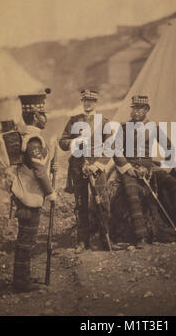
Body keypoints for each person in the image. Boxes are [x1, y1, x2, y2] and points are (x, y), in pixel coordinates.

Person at [113, 95, 176, 248]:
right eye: (133, 108)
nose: (135, 112)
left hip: (150, 167)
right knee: (131, 191)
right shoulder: (123, 128)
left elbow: (169, 148)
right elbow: (115, 150)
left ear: (146, 110)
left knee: (173, 183)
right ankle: (141, 236)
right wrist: (129, 169)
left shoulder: (153, 127)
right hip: (130, 168)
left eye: (139, 108)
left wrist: (165, 168)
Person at [11, 92, 57, 293]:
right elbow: (38, 170)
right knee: (26, 241)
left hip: (28, 196)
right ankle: (20, 283)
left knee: (26, 239)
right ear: (35, 116)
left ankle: (24, 277)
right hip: (28, 197)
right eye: (42, 113)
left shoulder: (30, 137)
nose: (45, 117)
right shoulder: (33, 140)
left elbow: (40, 166)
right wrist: (50, 192)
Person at [59, 89, 110, 253]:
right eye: (85, 100)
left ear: (96, 103)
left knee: (102, 202)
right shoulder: (74, 121)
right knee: (81, 203)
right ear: (82, 102)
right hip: (78, 165)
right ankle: (83, 241)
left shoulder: (104, 122)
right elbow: (62, 142)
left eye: (91, 101)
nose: (88, 103)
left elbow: (110, 148)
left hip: (96, 166)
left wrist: (97, 166)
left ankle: (105, 238)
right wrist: (75, 141)